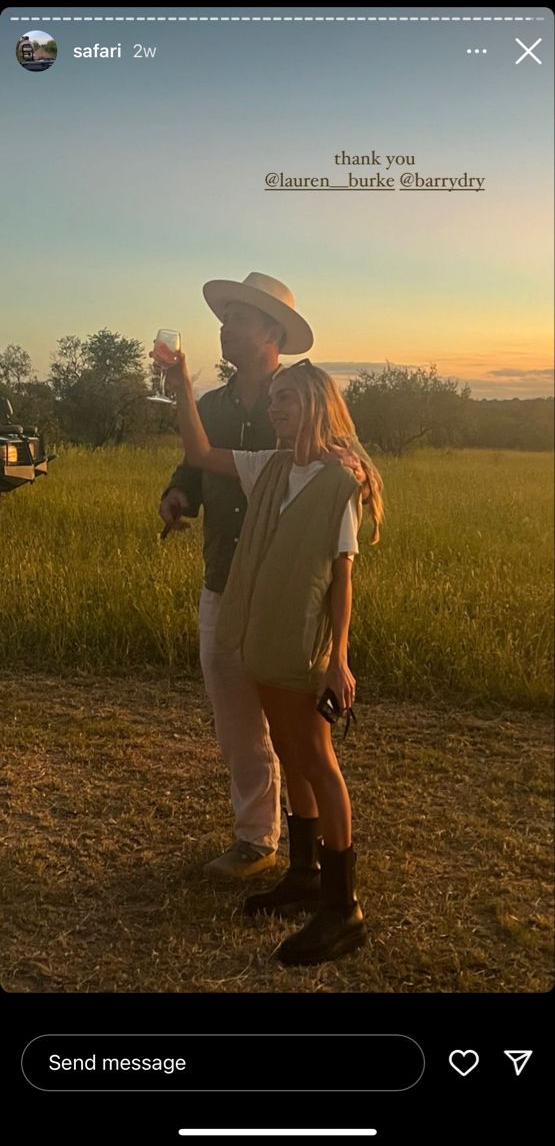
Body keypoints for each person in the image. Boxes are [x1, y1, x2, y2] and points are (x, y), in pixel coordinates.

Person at [161, 345, 384, 966]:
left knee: (316, 758)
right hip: (263, 636)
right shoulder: (274, 466)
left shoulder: (341, 479)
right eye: (274, 397)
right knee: (290, 750)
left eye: (287, 398)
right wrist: (181, 382)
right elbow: (201, 456)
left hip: (304, 645)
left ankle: (343, 909)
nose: (274, 405)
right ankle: (306, 874)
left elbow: (343, 577)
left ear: (314, 405)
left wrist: (339, 659)